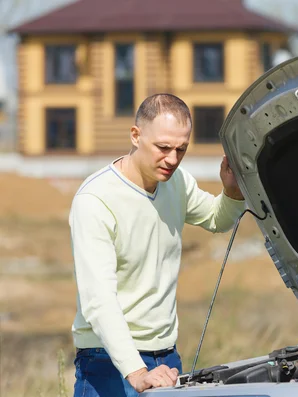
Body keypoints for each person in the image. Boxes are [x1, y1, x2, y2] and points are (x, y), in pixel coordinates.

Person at [69, 93, 246, 396]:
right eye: (163, 148)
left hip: (167, 359)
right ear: (135, 136)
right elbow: (98, 299)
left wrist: (232, 192)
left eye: (181, 149)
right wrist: (136, 370)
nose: (173, 160)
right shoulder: (94, 200)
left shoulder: (177, 182)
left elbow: (217, 219)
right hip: (108, 361)